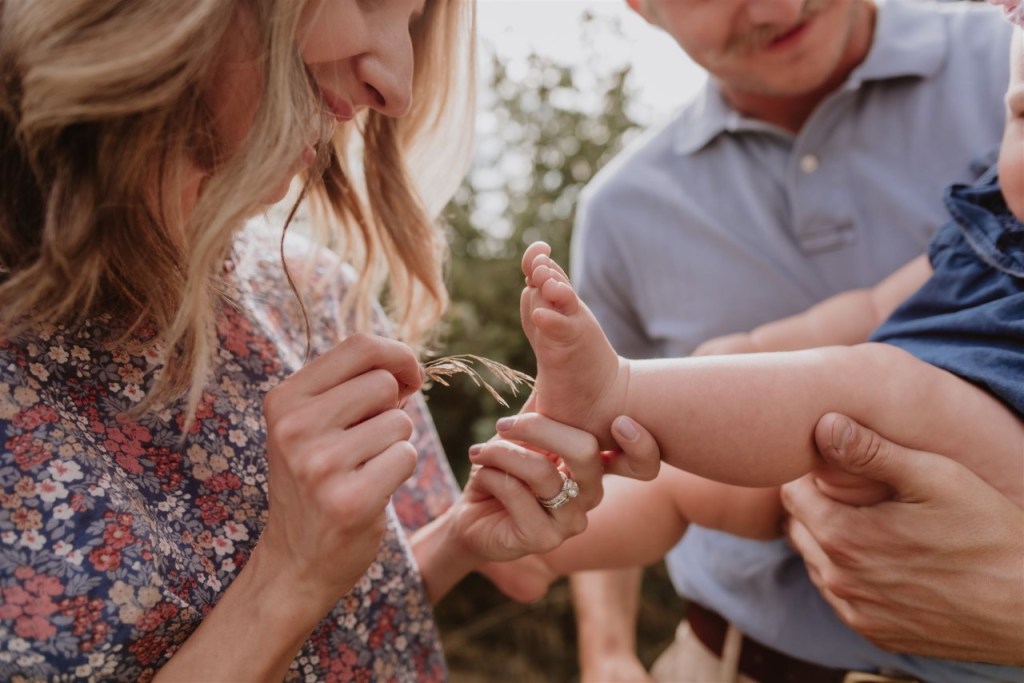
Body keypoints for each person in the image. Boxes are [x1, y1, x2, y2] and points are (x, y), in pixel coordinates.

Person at [0, 1, 664, 680]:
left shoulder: (318, 294)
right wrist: (290, 574)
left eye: (412, 21)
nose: (397, 87)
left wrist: (455, 541)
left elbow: (356, 640)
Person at [567, 0, 1022, 678]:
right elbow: (606, 447)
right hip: (735, 658)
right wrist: (606, 651)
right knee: (692, 483)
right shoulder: (619, 214)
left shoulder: (1002, 47)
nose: (779, 6)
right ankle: (521, 550)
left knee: (868, 389)